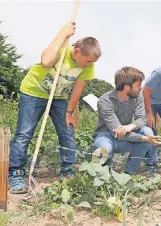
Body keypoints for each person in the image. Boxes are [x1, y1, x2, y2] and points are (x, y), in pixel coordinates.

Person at [8, 21, 101, 194]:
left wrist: (69, 112)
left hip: (58, 97)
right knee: (24, 133)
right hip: (33, 92)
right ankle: (15, 174)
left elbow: (79, 87)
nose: (89, 65)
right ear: (77, 52)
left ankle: (67, 171)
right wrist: (63, 33)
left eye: (92, 62)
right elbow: (45, 61)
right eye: (87, 61)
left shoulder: (89, 64)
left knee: (67, 131)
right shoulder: (62, 49)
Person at [93, 67, 161, 175]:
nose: (141, 88)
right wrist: (144, 139)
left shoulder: (137, 96)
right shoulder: (105, 101)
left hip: (126, 137)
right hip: (106, 136)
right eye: (138, 85)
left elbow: (142, 118)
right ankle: (102, 174)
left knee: (147, 131)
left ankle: (130, 171)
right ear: (127, 87)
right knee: (105, 149)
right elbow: (116, 132)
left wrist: (131, 126)